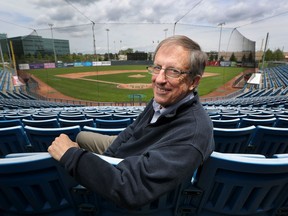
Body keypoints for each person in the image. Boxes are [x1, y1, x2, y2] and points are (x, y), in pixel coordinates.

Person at [48, 35, 215, 209]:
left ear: (193, 82)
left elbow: (130, 189)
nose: (159, 79)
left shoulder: (193, 134)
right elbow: (133, 129)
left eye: (173, 71)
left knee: (67, 149)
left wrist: (72, 155)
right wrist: (108, 158)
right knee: (81, 136)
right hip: (131, 151)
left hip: (134, 172)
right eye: (157, 67)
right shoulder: (163, 101)